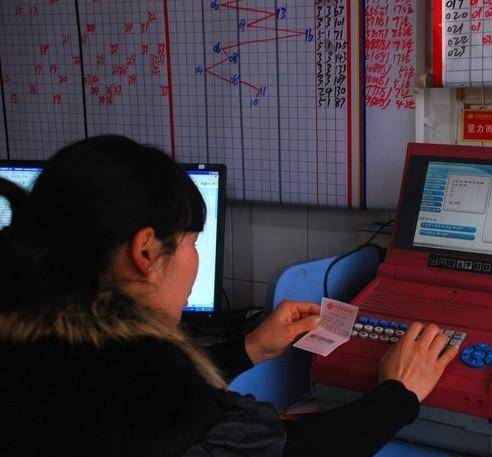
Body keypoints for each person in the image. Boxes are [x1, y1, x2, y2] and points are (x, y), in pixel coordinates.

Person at [0, 135, 458, 457]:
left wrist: (250, 348)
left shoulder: (32, 347)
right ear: (145, 252)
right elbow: (293, 452)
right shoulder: (140, 390)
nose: (194, 259)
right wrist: (400, 393)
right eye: (191, 243)